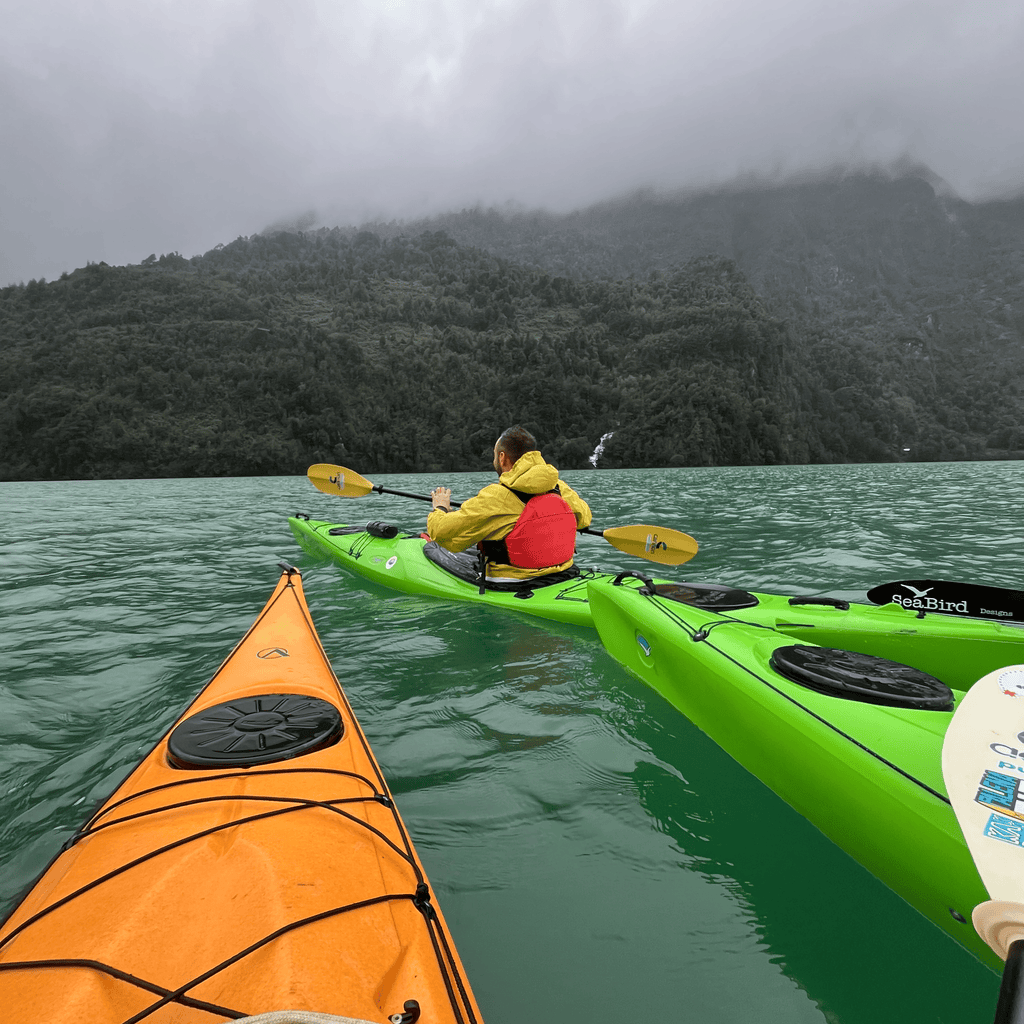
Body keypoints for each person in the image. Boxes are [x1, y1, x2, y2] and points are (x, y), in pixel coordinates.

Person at [427, 425, 592, 580]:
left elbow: (441, 533)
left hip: (513, 580)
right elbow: (585, 519)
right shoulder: (558, 487)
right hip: (563, 572)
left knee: (433, 547)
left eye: (495, 455)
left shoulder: (496, 496)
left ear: (502, 457)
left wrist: (440, 507)